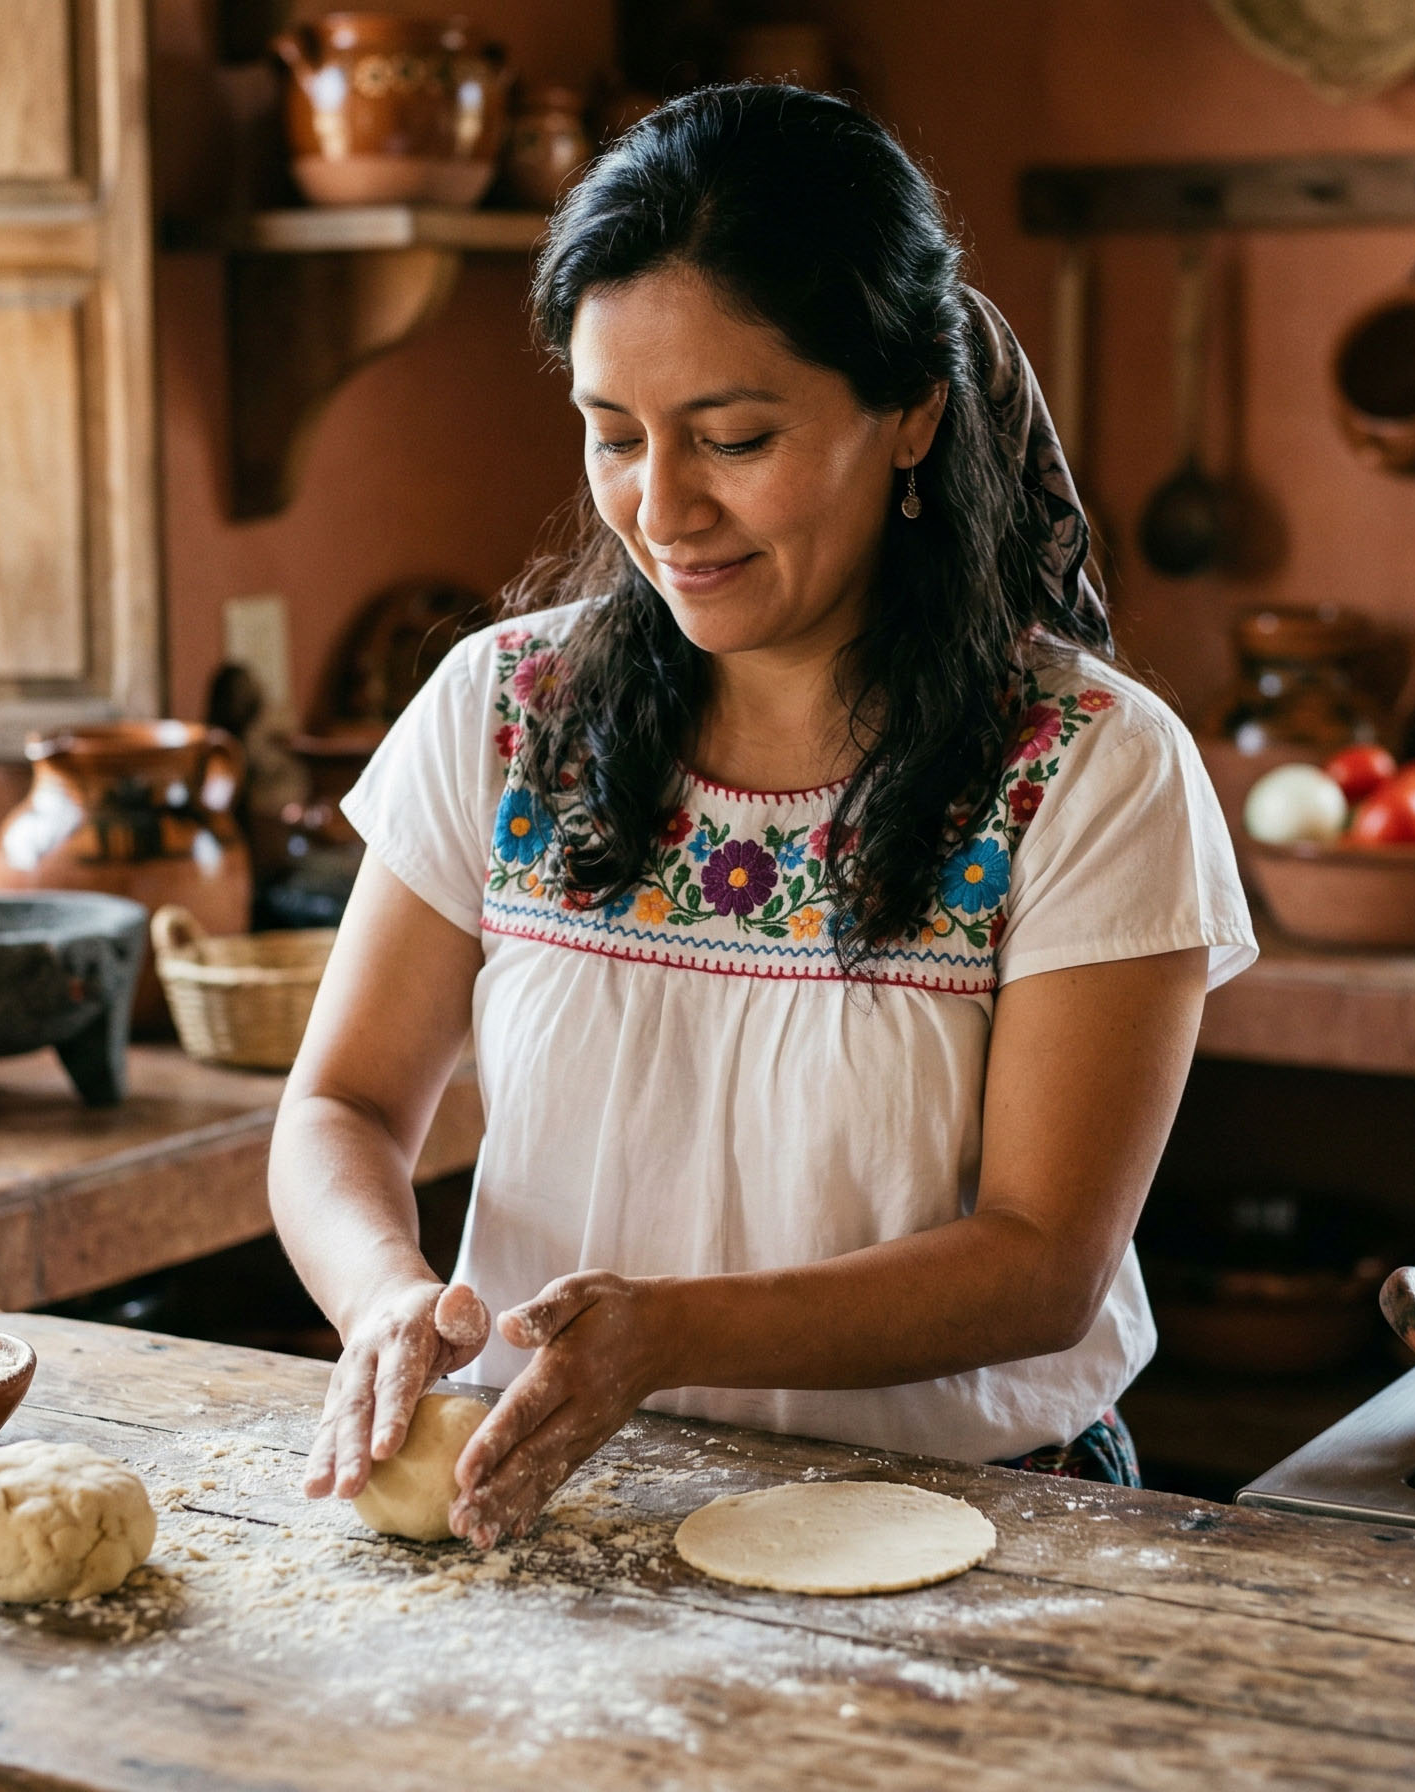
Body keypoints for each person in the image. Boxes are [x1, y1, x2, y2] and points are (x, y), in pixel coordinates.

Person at [270, 83, 1254, 1550]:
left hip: (977, 1538)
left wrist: (672, 1333)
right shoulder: (505, 714)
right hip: (555, 1515)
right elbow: (339, 1109)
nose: (662, 508)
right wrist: (386, 1296)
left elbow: (1042, 1262)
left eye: (730, 438)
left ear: (910, 412)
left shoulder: (1088, 767)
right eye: (614, 435)